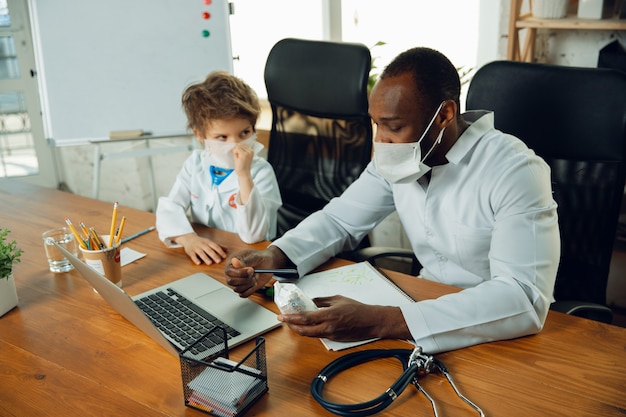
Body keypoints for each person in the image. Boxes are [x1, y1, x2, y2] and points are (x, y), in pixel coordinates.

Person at [224, 47, 560, 353]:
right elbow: (340, 220)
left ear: (444, 115)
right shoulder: (401, 156)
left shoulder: (514, 171)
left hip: (496, 329)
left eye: (394, 126)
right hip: (420, 309)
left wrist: (382, 320)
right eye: (376, 125)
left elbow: (522, 297)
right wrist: (275, 257)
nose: (381, 140)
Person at [156, 71, 281, 266]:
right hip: (209, 257)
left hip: (249, 261)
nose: (236, 145)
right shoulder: (195, 164)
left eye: (244, 133)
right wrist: (188, 239)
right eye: (222, 137)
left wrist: (244, 175)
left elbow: (254, 236)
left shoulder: (261, 172)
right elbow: (169, 208)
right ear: (200, 135)